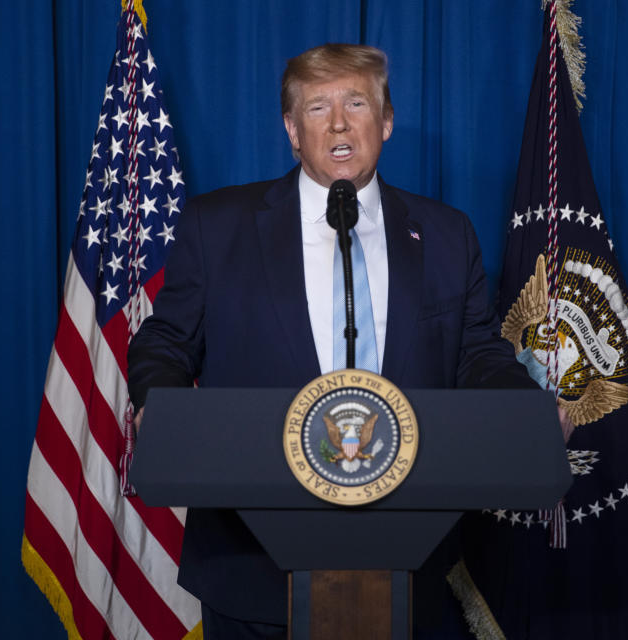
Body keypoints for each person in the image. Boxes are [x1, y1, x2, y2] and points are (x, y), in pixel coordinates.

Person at [128, 43, 538, 639]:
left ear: (387, 120)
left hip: (409, 570)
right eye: (318, 108)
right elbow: (166, 342)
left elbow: (477, 354)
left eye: (357, 103)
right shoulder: (216, 227)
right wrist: (158, 407)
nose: (340, 123)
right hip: (253, 572)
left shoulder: (447, 235)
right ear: (292, 131)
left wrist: (527, 413)